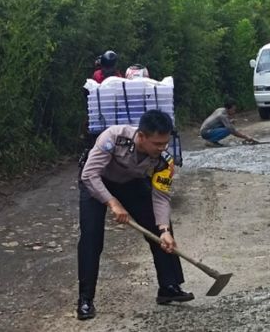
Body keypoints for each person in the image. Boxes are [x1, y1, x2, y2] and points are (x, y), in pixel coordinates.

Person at [76, 110, 192, 320]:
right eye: (157, 143)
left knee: (159, 228)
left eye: (165, 143)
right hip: (97, 182)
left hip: (131, 183)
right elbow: (89, 175)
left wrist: (164, 230)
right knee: (91, 238)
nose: (162, 148)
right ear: (141, 136)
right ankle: (85, 300)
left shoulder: (164, 161)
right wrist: (112, 202)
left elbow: (161, 197)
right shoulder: (113, 138)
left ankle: (169, 286)